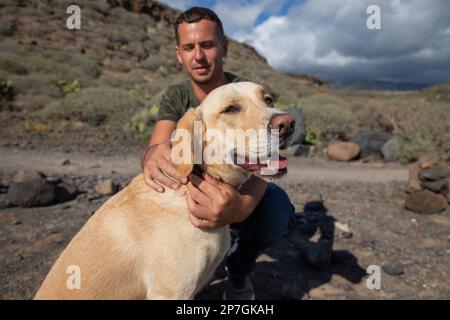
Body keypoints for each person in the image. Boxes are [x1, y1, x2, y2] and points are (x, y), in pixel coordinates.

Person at [140, 7, 295, 300]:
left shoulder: (244, 90)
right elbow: (157, 149)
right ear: (179, 54)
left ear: (224, 47)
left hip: (241, 190)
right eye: (189, 47)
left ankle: (237, 274)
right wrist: (152, 156)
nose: (198, 56)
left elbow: (264, 163)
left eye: (207, 45)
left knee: (278, 210)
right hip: (197, 189)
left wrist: (240, 207)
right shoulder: (176, 97)